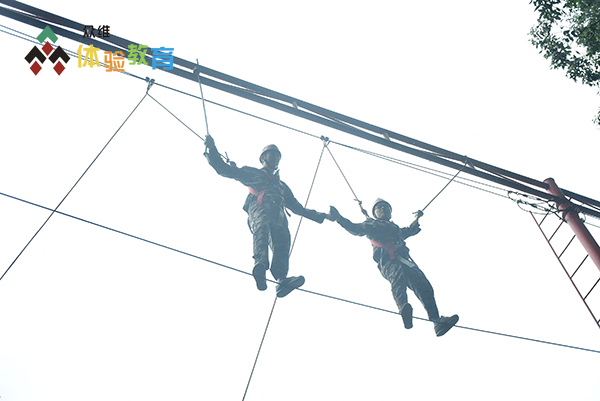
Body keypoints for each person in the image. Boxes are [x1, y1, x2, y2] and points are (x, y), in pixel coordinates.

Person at [204, 135, 332, 298]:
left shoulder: (281, 186)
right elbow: (225, 170)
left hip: (277, 215)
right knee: (262, 227)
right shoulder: (254, 174)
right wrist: (212, 149)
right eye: (272, 155)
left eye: (278, 156)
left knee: (283, 240)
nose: (276, 159)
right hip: (259, 209)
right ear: (263, 158)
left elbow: (297, 208)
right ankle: (260, 265)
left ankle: (281, 279)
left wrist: (322, 216)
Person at [328, 199, 459, 337]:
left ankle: (436, 321)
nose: (383, 209)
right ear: (375, 214)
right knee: (397, 277)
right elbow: (355, 228)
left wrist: (417, 218)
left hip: (404, 260)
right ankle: (403, 307)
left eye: (386, 207)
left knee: (424, 285)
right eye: (379, 207)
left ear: (391, 213)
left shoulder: (395, 229)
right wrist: (339, 218)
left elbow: (410, 230)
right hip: (387, 261)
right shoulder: (372, 225)